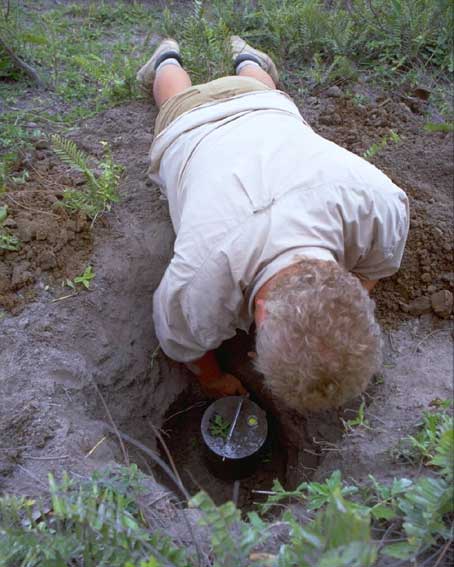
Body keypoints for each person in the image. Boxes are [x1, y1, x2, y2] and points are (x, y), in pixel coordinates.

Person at [138, 37, 409, 412]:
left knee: (261, 88)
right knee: (171, 98)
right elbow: (181, 342)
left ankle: (243, 56)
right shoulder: (196, 283)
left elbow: (375, 269)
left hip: (262, 101)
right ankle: (166, 57)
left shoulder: (379, 203)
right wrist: (212, 378)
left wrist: (214, 376)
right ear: (259, 313)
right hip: (189, 122)